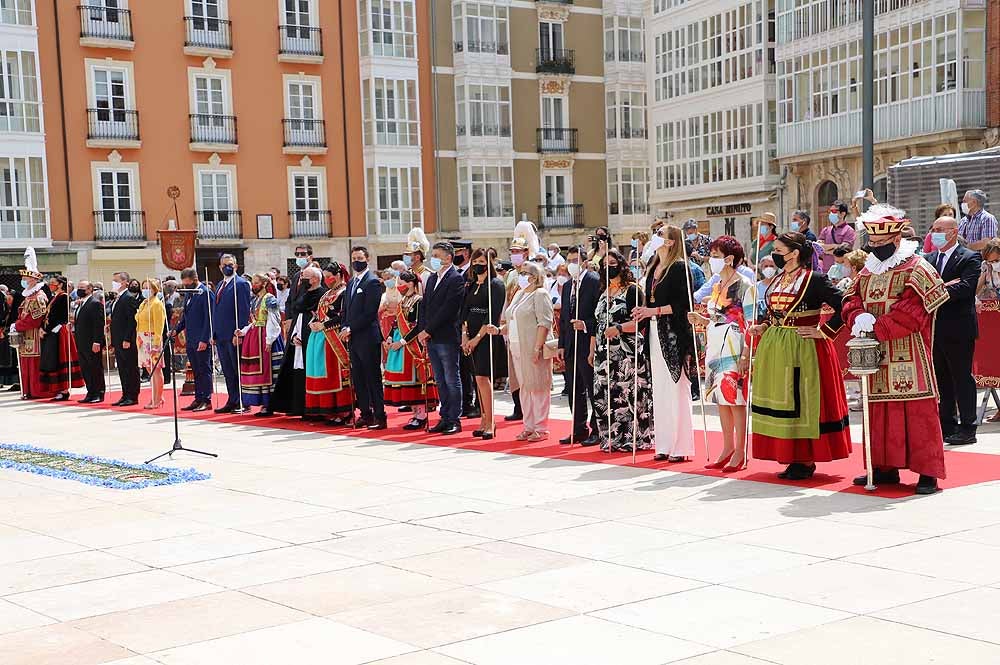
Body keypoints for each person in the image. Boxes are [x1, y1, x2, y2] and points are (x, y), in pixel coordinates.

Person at [842, 205, 949, 495]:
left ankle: (928, 473)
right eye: (872, 244)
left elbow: (914, 312)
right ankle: (882, 468)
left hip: (909, 354)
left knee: (918, 414)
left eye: (880, 244)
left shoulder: (918, 268)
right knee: (878, 411)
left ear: (896, 241)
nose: (874, 249)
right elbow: (850, 299)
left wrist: (877, 325)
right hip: (876, 354)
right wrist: (856, 316)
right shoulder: (867, 271)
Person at [747, 233, 852, 479]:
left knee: (801, 400)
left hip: (803, 349)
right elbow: (774, 312)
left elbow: (845, 304)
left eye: (778, 250)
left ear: (794, 253)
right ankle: (789, 455)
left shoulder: (814, 280)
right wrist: (763, 326)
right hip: (775, 348)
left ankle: (805, 459)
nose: (773, 255)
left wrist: (824, 331)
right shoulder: (778, 279)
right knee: (780, 398)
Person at [688, 236, 754, 471]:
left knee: (735, 399)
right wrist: (702, 319)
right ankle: (727, 447)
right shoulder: (717, 286)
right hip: (715, 346)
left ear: (729, 258)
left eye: (715, 256)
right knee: (721, 400)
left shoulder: (745, 285)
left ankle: (741, 450)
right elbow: (718, 318)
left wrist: (746, 353)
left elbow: (749, 322)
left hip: (735, 346)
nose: (711, 259)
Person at [632, 225, 697, 462]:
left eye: (661, 235)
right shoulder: (652, 268)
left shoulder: (679, 267)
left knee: (676, 387)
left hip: (672, 333)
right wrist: (645, 312)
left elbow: (683, 305)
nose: (655, 238)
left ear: (670, 242)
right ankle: (664, 443)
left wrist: (653, 310)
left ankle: (680, 446)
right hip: (653, 330)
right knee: (659, 389)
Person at [926, 215, 983, 446]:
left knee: (962, 378)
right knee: (941, 380)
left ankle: (968, 427)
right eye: (933, 228)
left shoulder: (969, 257)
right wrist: (944, 287)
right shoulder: (928, 258)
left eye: (940, 229)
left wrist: (936, 291)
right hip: (934, 328)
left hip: (959, 329)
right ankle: (946, 425)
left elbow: (965, 288)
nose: (935, 232)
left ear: (953, 231)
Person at [591, 248, 653, 452]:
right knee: (605, 396)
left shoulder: (632, 290)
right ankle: (611, 438)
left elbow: (639, 322)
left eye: (612, 263)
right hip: (603, 354)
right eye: (605, 264)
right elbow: (597, 324)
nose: (609, 267)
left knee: (630, 395)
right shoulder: (602, 293)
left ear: (621, 265)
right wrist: (592, 350)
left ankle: (635, 438)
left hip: (627, 352)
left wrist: (618, 328)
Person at [487, 261, 554, 441]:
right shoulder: (519, 294)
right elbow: (511, 320)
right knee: (524, 388)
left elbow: (544, 323)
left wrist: (537, 347)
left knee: (538, 386)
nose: (522, 276)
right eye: (521, 273)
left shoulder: (540, 294)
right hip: (516, 346)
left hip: (533, 346)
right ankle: (528, 425)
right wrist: (499, 330)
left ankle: (541, 427)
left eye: (525, 273)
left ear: (535, 276)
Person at [418, 241, 466, 435]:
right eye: (433, 255)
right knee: (439, 379)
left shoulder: (456, 278)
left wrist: (428, 329)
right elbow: (426, 306)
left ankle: (454, 418)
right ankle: (444, 416)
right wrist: (422, 330)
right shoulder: (431, 279)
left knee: (451, 378)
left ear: (448, 257)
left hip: (446, 335)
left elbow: (449, 309)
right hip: (431, 337)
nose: (434, 258)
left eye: (438, 255)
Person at [557, 245, 601, 445]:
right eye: (569, 260)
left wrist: (585, 325)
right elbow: (564, 318)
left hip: (587, 342)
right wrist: (561, 344)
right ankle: (578, 428)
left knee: (592, 388)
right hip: (570, 345)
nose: (572, 264)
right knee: (574, 389)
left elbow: (600, 314)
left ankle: (597, 429)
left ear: (584, 261)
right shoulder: (567, 286)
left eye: (575, 260)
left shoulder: (594, 282)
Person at [385, 271, 439, 429]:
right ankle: (414, 413)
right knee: (404, 380)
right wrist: (389, 337)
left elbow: (418, 326)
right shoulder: (403, 301)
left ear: (410, 284)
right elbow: (396, 322)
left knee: (416, 379)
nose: (398, 286)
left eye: (401, 282)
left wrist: (402, 342)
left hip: (412, 345)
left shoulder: (419, 301)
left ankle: (421, 415)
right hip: (399, 343)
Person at [462, 249, 506, 439]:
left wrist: (476, 338)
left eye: (482, 261)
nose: (478, 264)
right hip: (469, 334)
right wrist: (465, 336)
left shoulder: (495, 285)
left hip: (486, 336)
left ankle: (491, 422)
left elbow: (492, 314)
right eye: (475, 261)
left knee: (483, 378)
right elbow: (464, 311)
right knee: (476, 379)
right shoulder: (471, 284)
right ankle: (483, 418)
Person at [342, 246, 387, 430]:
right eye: (354, 258)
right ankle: (365, 414)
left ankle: (379, 416)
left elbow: (370, 313)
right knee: (358, 378)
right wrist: (345, 326)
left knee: (372, 378)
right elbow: (346, 310)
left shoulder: (372, 282)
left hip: (368, 337)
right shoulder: (352, 282)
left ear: (367, 259)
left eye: (360, 257)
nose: (356, 261)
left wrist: (351, 327)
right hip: (353, 338)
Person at [272, 266, 325, 417]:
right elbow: (297, 311)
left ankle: (312, 408)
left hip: (310, 338)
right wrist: (294, 333)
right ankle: (297, 406)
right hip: (297, 336)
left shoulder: (322, 294)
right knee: (296, 372)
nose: (301, 280)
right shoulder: (304, 293)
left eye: (305, 278)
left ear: (314, 279)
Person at [305, 264, 354, 424]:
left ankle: (343, 411)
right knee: (320, 372)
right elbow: (319, 313)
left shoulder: (345, 292)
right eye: (325, 277)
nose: (326, 280)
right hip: (319, 339)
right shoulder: (327, 293)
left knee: (335, 374)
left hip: (334, 338)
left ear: (339, 275)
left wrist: (324, 325)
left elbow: (344, 315)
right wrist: (313, 322)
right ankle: (326, 410)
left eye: (329, 276)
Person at [503, 223, 539, 422]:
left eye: (517, 252)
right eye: (512, 252)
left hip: (527, 325)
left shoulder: (532, 271)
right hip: (512, 325)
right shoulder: (510, 274)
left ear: (526, 253)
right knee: (514, 370)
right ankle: (518, 405)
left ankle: (531, 408)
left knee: (528, 369)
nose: (514, 255)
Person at [237, 273, 285, 417]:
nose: (254, 285)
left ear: (264, 284)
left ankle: (269, 404)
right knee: (257, 369)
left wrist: (269, 340)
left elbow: (274, 320)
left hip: (265, 337)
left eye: (256, 282)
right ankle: (261, 402)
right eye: (253, 282)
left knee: (267, 370)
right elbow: (254, 321)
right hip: (254, 337)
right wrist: (244, 331)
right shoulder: (255, 300)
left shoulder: (270, 299)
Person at [212, 254, 252, 414]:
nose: (226, 267)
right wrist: (214, 333)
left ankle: (244, 401)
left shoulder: (241, 284)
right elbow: (216, 311)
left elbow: (243, 310)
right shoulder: (221, 284)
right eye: (223, 265)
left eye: (229, 264)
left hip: (234, 335)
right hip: (221, 335)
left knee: (237, 369)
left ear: (235, 266)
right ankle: (232, 399)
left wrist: (239, 333)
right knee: (227, 370)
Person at [173, 268, 214, 412]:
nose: (185, 286)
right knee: (196, 371)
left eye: (187, 283)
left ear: (195, 279)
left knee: (204, 370)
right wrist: (175, 330)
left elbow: (209, 318)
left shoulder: (205, 293)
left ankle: (206, 399)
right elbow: (186, 317)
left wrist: (205, 339)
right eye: (184, 283)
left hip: (201, 339)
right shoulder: (190, 293)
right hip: (190, 339)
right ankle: (198, 398)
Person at [39, 275, 83, 402]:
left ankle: (64, 390)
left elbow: (60, 317)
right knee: (51, 359)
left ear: (60, 284)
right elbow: (47, 315)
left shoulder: (64, 297)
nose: (50, 285)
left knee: (59, 358)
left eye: (53, 283)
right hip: (49, 331)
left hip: (58, 331)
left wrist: (47, 329)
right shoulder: (53, 297)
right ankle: (57, 388)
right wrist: (42, 328)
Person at [109, 274, 141, 407]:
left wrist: (127, 338)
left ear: (124, 283)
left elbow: (132, 321)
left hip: (126, 340)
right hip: (118, 339)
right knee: (122, 368)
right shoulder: (118, 298)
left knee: (130, 368)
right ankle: (125, 394)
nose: (113, 283)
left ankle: (132, 396)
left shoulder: (128, 298)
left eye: (116, 281)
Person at [135, 278, 166, 409]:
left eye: (148, 287)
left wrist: (156, 344)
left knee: (155, 369)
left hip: (152, 339)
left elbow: (160, 325)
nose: (145, 290)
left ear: (154, 289)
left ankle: (157, 399)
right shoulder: (144, 303)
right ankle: (157, 396)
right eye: (144, 287)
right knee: (149, 369)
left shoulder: (157, 304)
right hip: (142, 339)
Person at [819, 201, 856, 270]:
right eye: (830, 211)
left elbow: (843, 251)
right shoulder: (826, 230)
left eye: (834, 211)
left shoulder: (849, 230)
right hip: (825, 270)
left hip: (841, 270)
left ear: (842, 214)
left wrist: (826, 251)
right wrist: (835, 246)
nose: (831, 214)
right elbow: (818, 247)